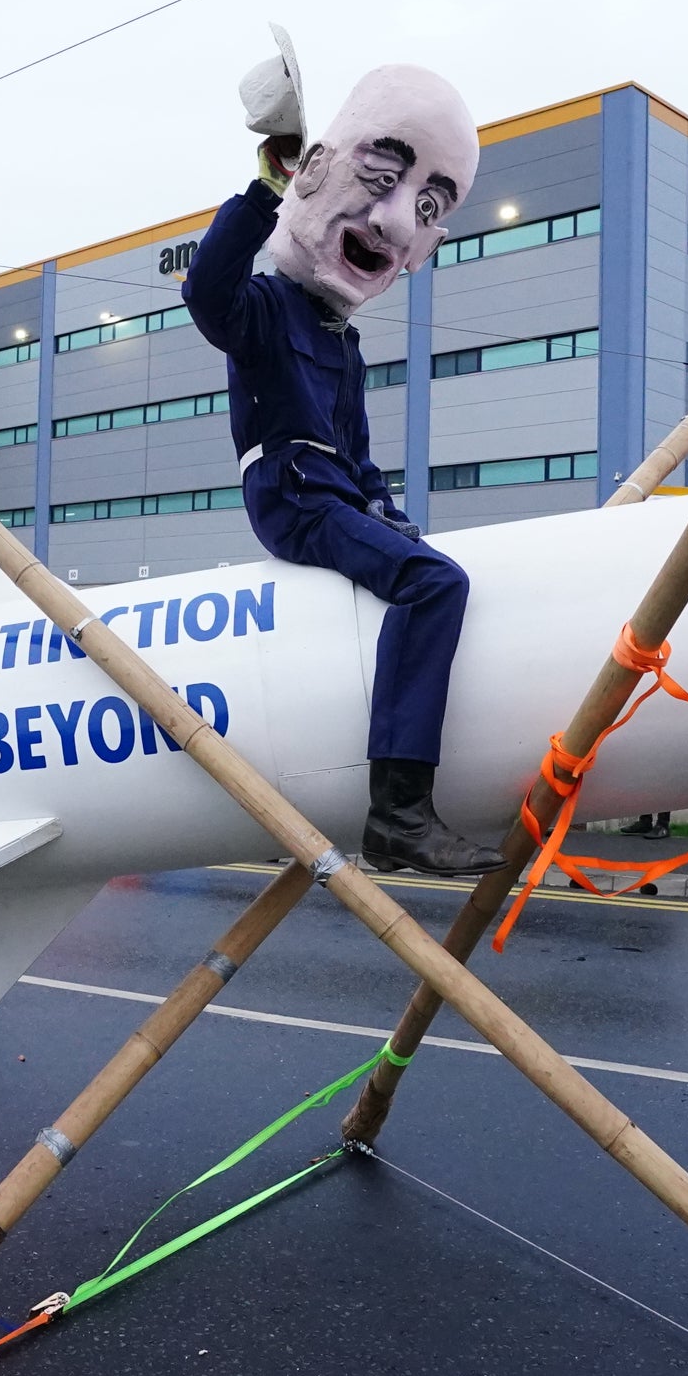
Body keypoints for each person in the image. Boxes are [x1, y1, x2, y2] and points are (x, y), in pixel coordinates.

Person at [183, 53, 501, 877]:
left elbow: (359, 460)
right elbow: (208, 290)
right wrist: (266, 187)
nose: (399, 224)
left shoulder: (344, 345)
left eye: (427, 208)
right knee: (435, 584)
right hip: (291, 496)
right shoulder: (264, 309)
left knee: (423, 565)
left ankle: (403, 807)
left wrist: (390, 518)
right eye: (384, 175)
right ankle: (398, 811)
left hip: (331, 496)